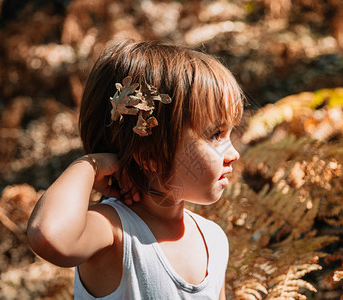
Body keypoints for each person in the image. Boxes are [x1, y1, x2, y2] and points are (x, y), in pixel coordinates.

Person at [27, 40, 244, 299]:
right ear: (151, 155)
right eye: (216, 135)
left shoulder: (214, 240)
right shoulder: (115, 234)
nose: (233, 153)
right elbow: (49, 236)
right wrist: (88, 165)